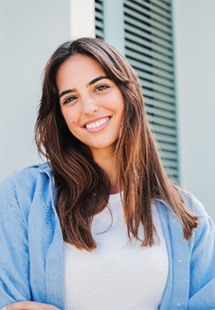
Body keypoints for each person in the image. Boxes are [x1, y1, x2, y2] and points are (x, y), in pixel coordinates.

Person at [0, 37, 215, 310]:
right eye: (70, 98)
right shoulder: (21, 197)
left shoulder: (186, 214)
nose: (88, 108)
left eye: (100, 87)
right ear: (61, 115)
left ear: (128, 93)